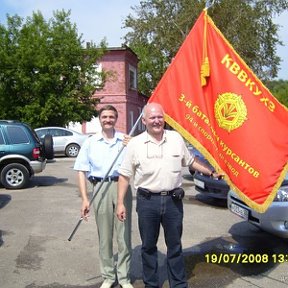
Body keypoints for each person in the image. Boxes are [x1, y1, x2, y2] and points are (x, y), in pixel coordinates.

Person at [116, 102, 221, 288]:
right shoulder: (135, 144)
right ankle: (151, 284)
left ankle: (179, 284)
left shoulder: (176, 138)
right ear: (144, 120)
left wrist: (211, 171)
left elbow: (190, 161)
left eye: (160, 117)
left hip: (173, 202)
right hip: (147, 202)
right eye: (152, 117)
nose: (157, 121)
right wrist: (120, 203)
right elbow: (124, 175)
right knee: (148, 247)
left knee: (175, 246)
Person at [74, 105, 133, 288]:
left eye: (111, 117)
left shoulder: (125, 140)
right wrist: (85, 198)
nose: (108, 119)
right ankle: (108, 276)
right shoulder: (91, 142)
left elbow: (138, 162)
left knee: (124, 236)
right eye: (104, 116)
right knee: (105, 237)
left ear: (116, 119)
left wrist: (131, 146)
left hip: (121, 187)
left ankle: (124, 278)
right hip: (99, 188)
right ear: (100, 119)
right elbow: (81, 171)